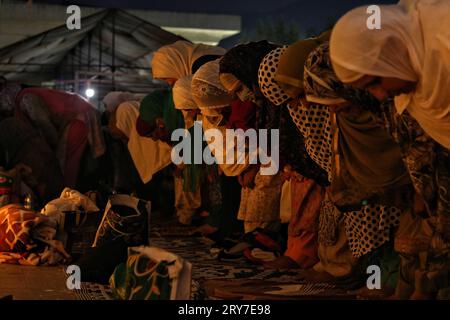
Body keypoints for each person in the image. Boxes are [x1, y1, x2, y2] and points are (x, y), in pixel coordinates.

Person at [11, 87, 105, 189]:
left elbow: (44, 124)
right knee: (70, 163)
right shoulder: (29, 92)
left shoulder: (26, 98)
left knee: (65, 164)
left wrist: (52, 147)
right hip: (82, 116)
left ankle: (65, 195)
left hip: (78, 121)